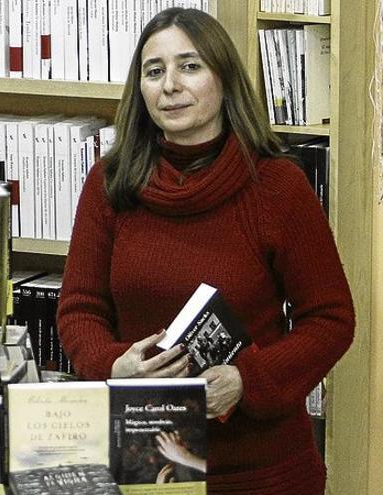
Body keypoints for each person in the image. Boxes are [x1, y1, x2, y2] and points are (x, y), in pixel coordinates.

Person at [56, 7, 354, 494]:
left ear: (225, 79)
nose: (170, 84)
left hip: (262, 468)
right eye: (154, 71)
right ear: (141, 90)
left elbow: (331, 318)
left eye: (190, 66)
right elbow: (78, 308)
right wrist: (114, 366)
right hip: (146, 464)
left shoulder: (278, 186)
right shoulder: (110, 183)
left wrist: (247, 381)